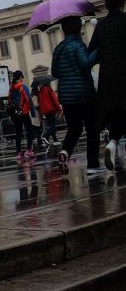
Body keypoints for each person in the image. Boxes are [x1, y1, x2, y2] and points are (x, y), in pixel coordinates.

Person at [52, 16, 101, 174]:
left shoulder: (58, 48)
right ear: (78, 28)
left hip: (67, 97)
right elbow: (85, 63)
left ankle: (65, 152)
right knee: (92, 129)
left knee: (74, 129)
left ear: (63, 30)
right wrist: (97, 52)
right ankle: (93, 165)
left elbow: (54, 72)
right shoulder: (78, 45)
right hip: (84, 94)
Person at [89, 0, 126, 171]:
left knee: (117, 113)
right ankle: (113, 142)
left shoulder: (101, 25)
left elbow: (91, 51)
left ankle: (112, 142)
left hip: (108, 79)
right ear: (121, 3)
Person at [6, 71, 37, 161]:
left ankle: (19, 152)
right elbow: (28, 100)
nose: (23, 79)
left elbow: (9, 101)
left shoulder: (11, 88)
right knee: (29, 130)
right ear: (20, 77)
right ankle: (29, 150)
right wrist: (33, 112)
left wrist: (11, 114)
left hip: (16, 113)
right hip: (24, 112)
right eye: (22, 77)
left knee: (18, 133)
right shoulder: (23, 87)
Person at [35, 79, 62, 154]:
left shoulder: (40, 91)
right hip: (51, 109)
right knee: (53, 126)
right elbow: (54, 99)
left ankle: (54, 139)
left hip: (45, 111)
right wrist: (59, 108)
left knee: (50, 125)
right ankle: (45, 136)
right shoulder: (49, 89)